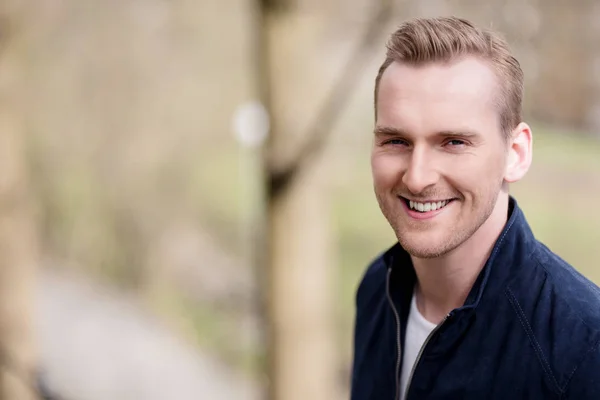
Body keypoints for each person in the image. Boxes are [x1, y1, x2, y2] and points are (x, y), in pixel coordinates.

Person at [350, 16, 600, 400]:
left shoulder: (584, 345)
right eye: (396, 141)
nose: (417, 178)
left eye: (453, 142)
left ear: (515, 154)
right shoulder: (376, 289)